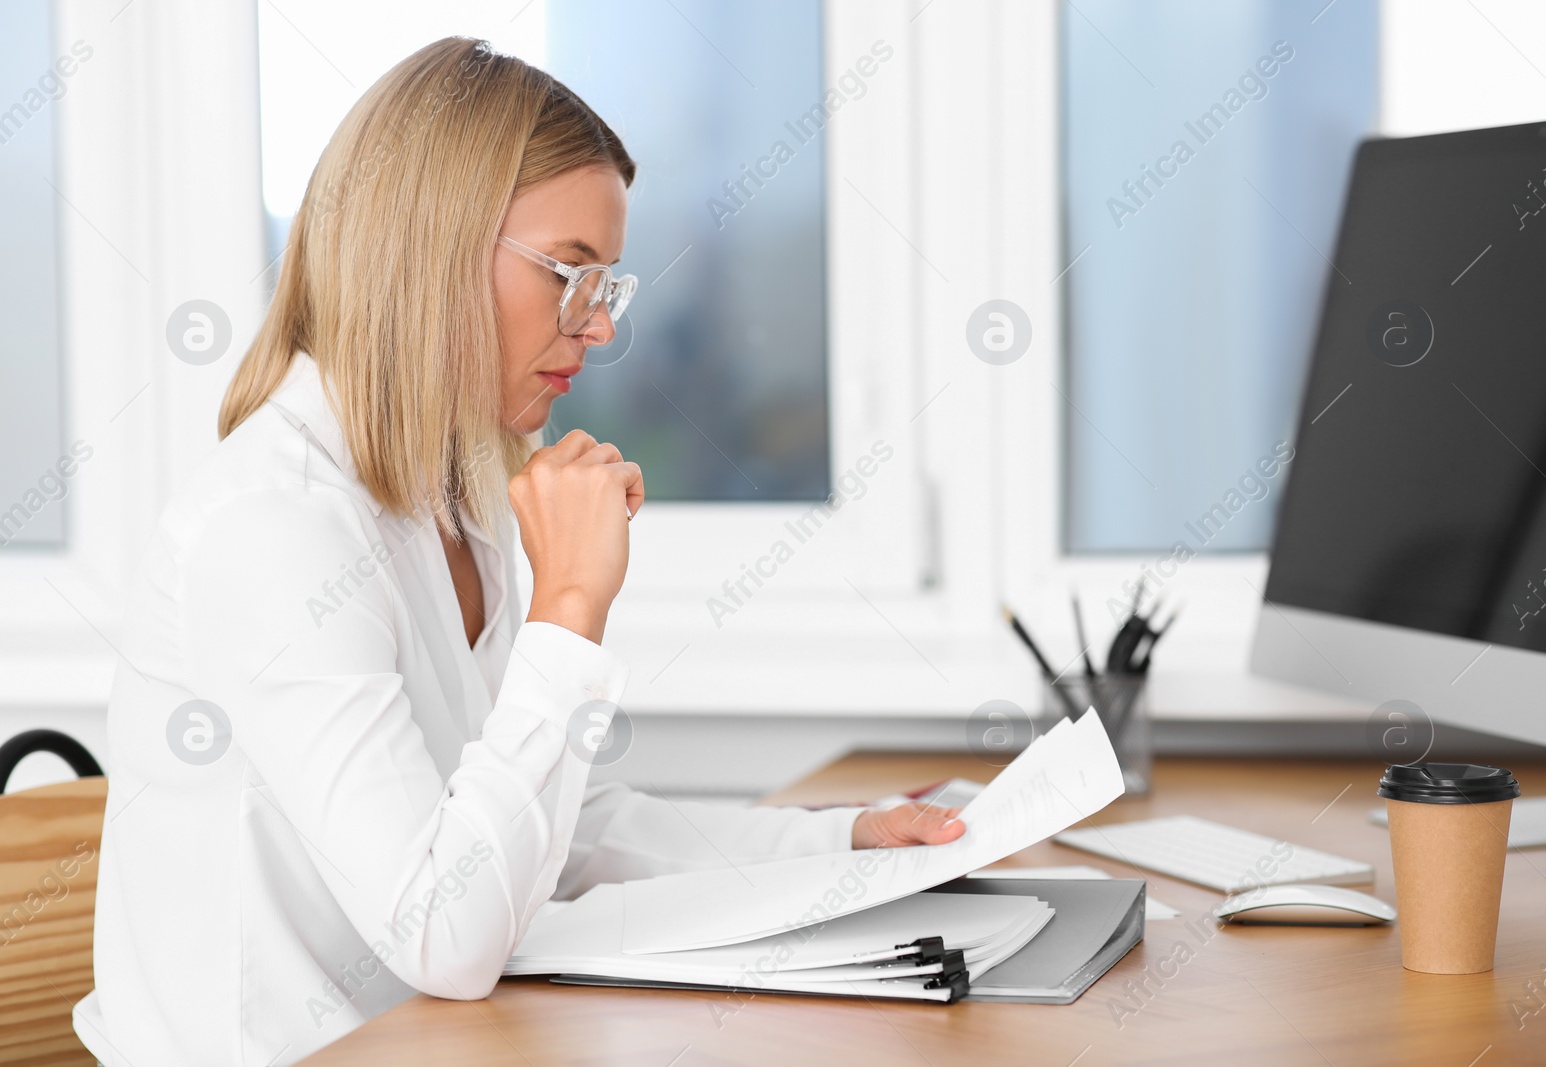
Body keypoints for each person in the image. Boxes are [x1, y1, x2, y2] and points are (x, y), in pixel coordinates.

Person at [73, 37, 964, 1067]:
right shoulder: (274, 527)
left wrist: (840, 838)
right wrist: (571, 604)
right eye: (569, 276)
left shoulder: (453, 490)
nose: (595, 329)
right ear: (428, 247)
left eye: (608, 288)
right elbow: (443, 931)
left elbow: (554, 834)